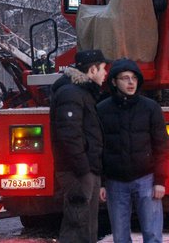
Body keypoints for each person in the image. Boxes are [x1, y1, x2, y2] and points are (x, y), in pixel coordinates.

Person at [97, 58, 169, 243]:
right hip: (115, 182)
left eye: (134, 78)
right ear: (114, 81)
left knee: (152, 235)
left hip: (146, 179)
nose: (131, 83)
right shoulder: (102, 110)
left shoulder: (150, 108)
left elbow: (161, 145)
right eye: (125, 78)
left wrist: (160, 181)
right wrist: (101, 182)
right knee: (120, 237)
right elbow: (97, 149)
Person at [50, 49, 109, 243]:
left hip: (83, 170)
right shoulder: (71, 94)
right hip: (77, 172)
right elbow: (70, 136)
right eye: (102, 69)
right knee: (77, 225)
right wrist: (84, 171)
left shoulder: (80, 92)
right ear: (92, 70)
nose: (105, 73)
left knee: (86, 226)